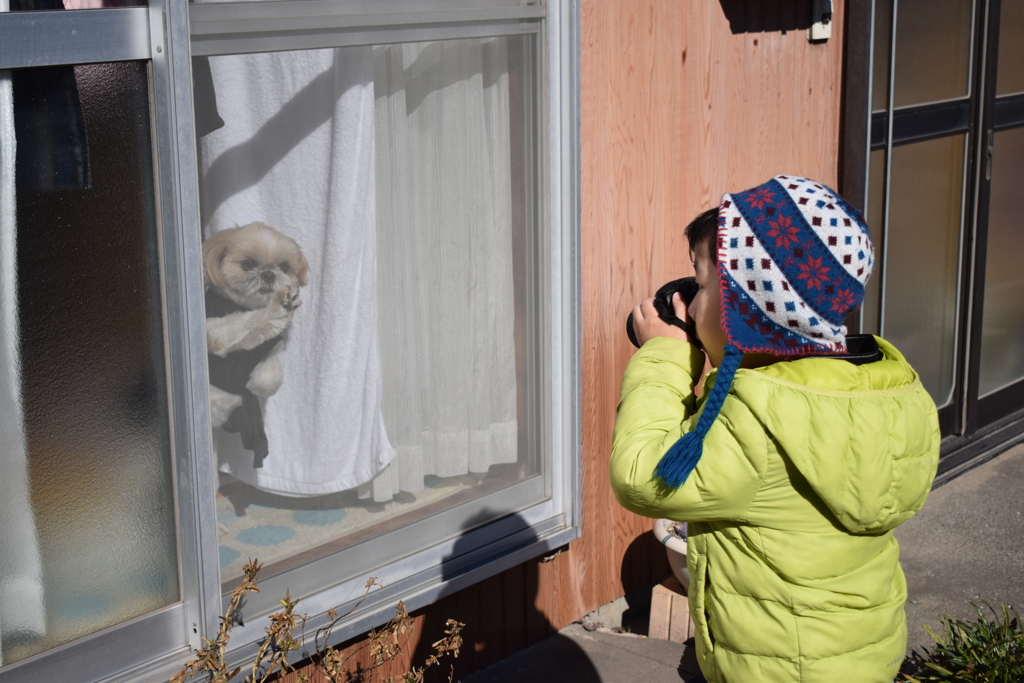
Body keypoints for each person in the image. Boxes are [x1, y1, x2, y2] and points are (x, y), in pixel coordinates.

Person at [609, 175, 940, 683]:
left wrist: (665, 354)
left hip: (782, 669)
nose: (689, 306)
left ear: (750, 309)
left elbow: (640, 475)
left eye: (699, 286)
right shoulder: (883, 387)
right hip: (860, 652)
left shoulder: (757, 421)